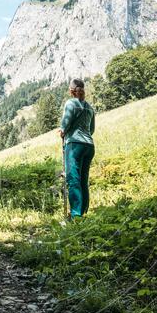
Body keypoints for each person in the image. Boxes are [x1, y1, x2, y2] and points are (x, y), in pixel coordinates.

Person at [58, 78, 95, 218]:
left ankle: (76, 216)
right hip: (89, 146)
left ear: (71, 91)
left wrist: (62, 131)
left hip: (74, 145)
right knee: (83, 180)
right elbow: (91, 129)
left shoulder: (70, 103)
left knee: (73, 180)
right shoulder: (90, 107)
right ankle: (83, 212)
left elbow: (65, 124)